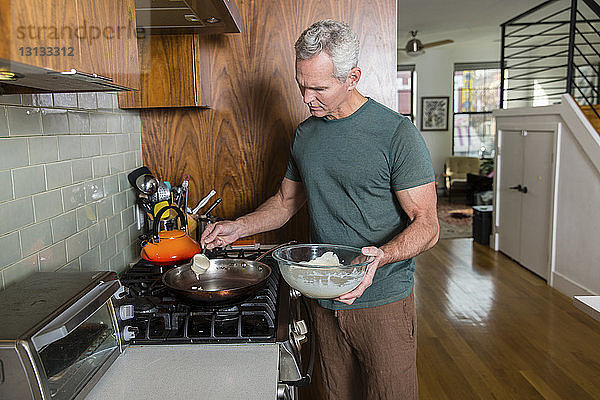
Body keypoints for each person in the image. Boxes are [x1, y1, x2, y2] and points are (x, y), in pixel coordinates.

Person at [201, 19, 439, 400]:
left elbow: (427, 224)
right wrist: (238, 227)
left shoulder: (396, 134)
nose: (307, 98)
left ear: (353, 77)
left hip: (381, 300)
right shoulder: (306, 133)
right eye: (302, 86)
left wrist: (384, 255)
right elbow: (286, 202)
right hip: (322, 299)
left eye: (319, 88)